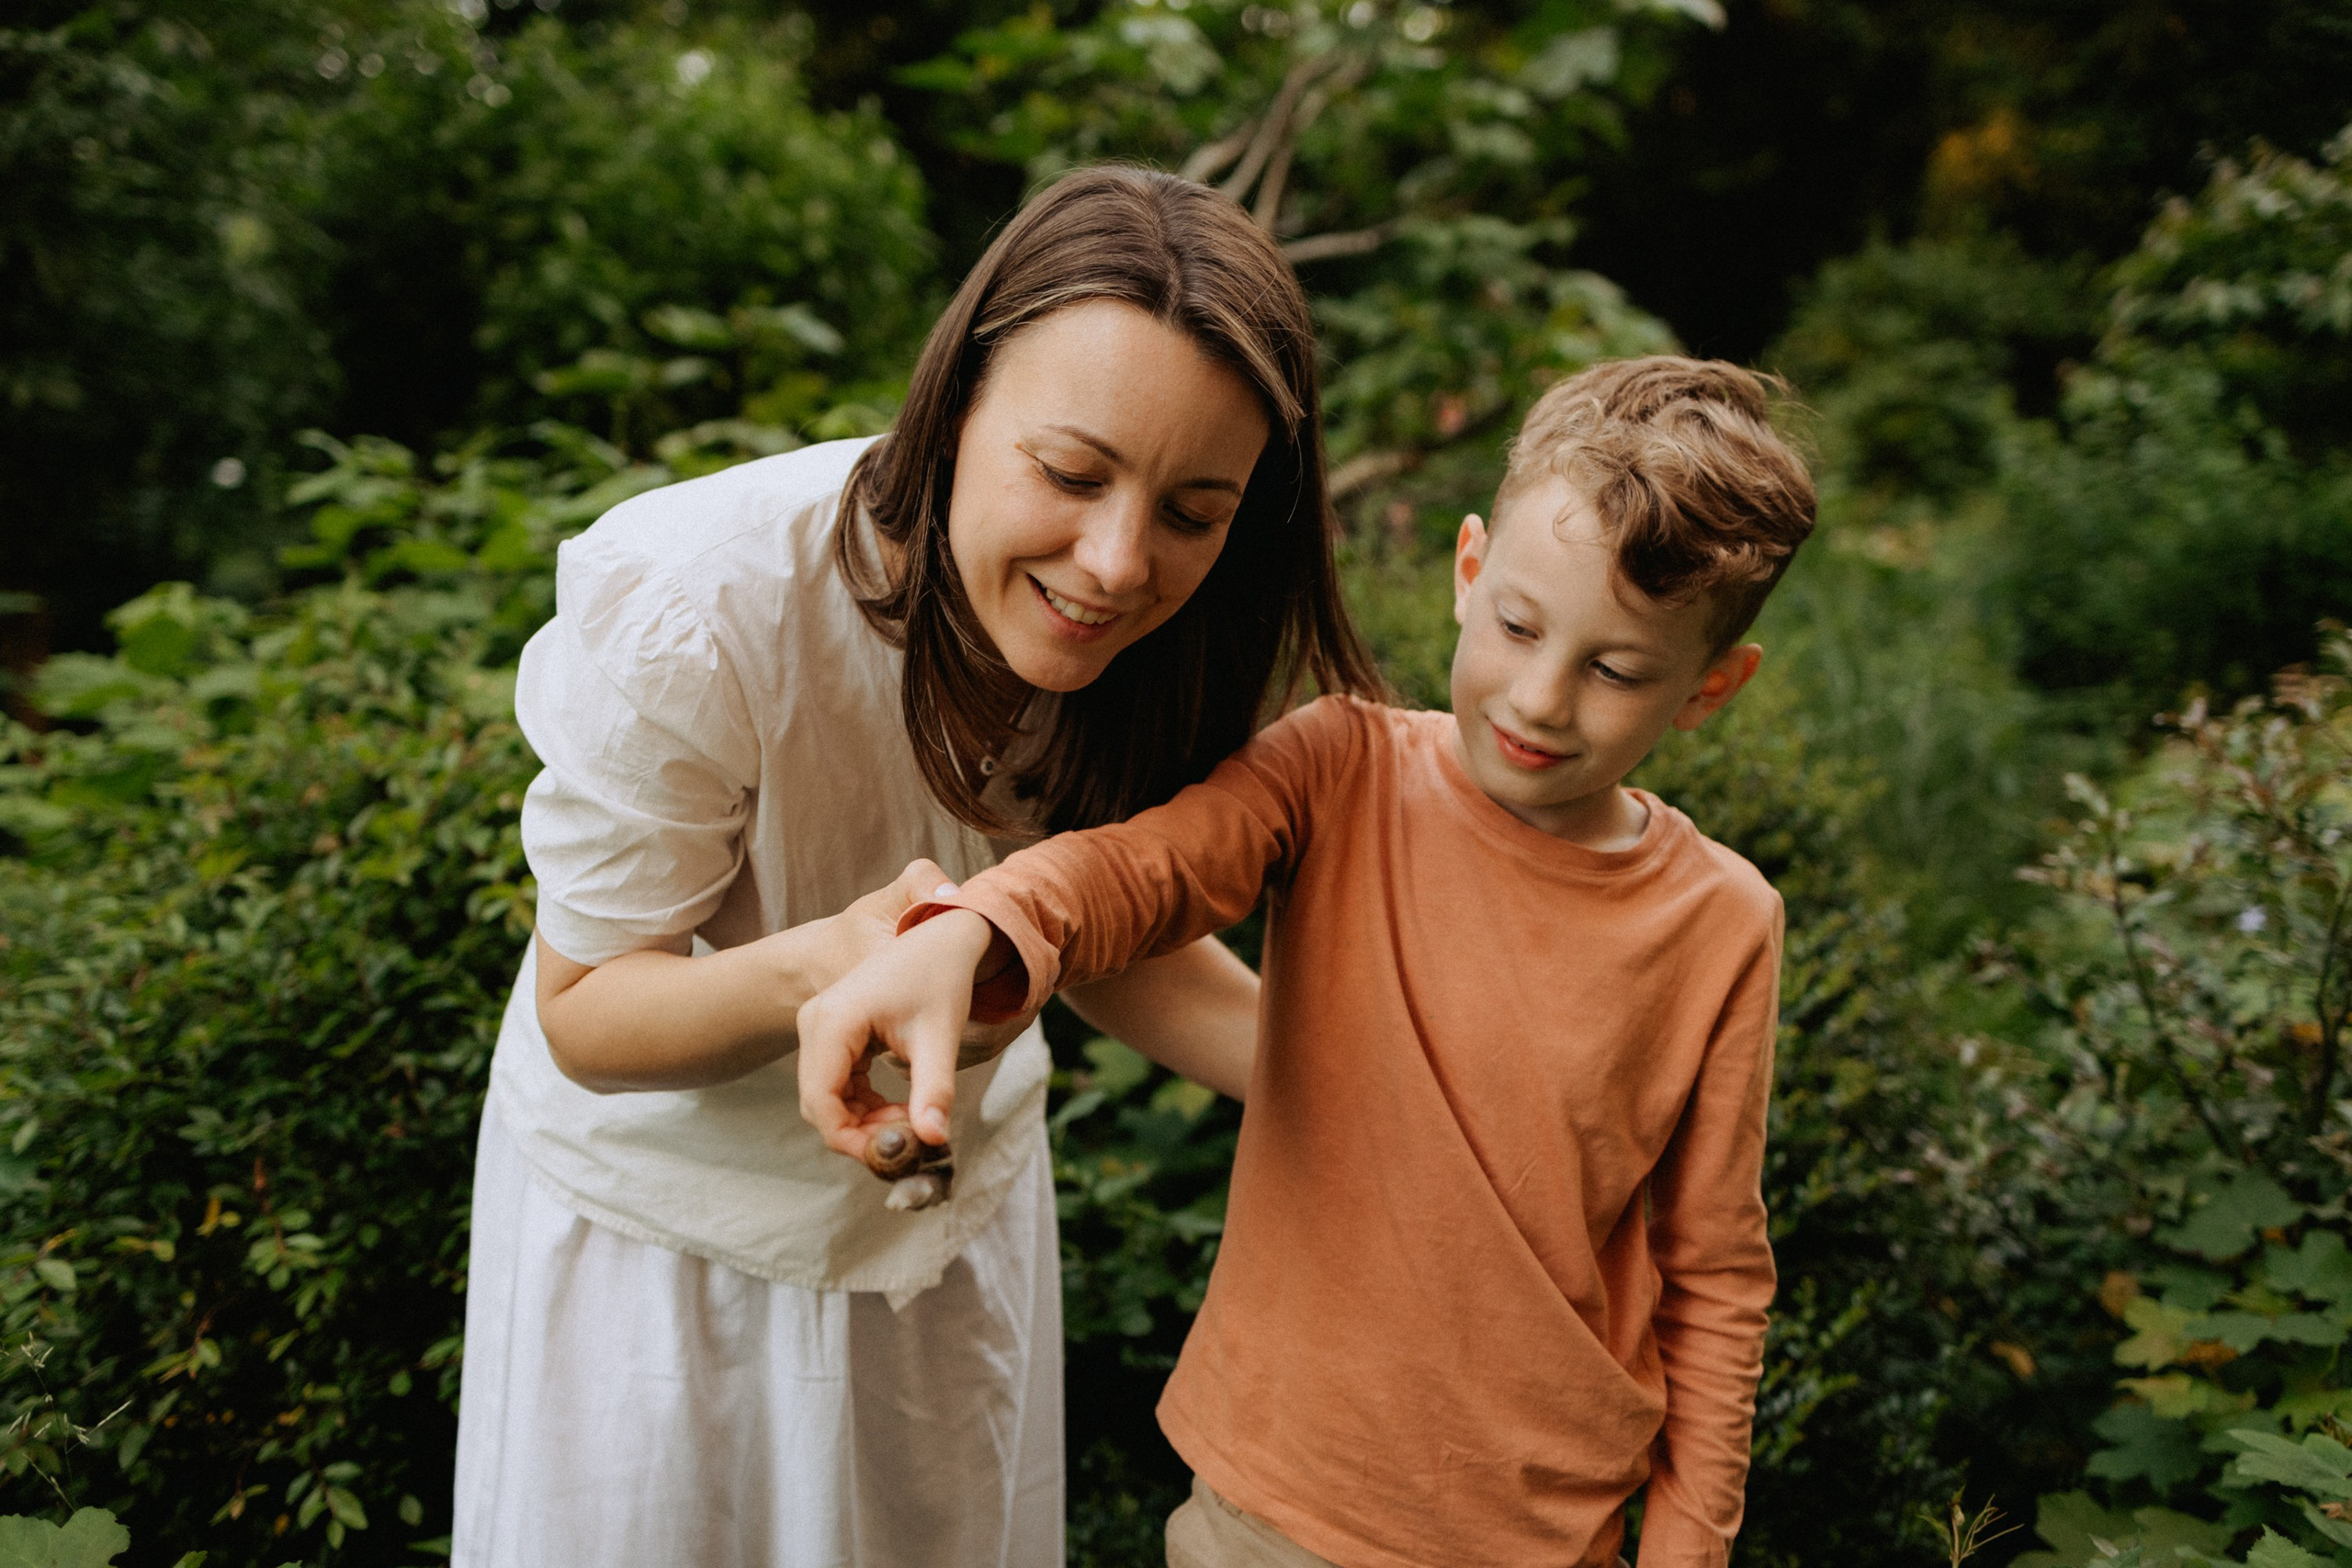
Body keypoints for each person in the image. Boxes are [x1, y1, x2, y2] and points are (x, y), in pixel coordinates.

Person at [451, 165, 1381, 1568]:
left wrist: (1398, 1094)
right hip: (668, 1266)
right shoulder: (698, 607)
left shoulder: (1161, 638)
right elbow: (589, 1009)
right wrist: (828, 963)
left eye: (1195, 512)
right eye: (1071, 475)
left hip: (945, 1252)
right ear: (949, 413)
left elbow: (1102, 931)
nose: (1119, 563)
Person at [799, 356, 1818, 1568]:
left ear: (1710, 687)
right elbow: (1139, 871)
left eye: (1615, 671)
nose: (1541, 699)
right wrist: (977, 928)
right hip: (1270, 1503)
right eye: (1518, 627)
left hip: (1546, 1532)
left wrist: (1688, 1548)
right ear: (1469, 570)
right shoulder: (1338, 768)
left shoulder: (1724, 921)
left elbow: (1712, 1276)